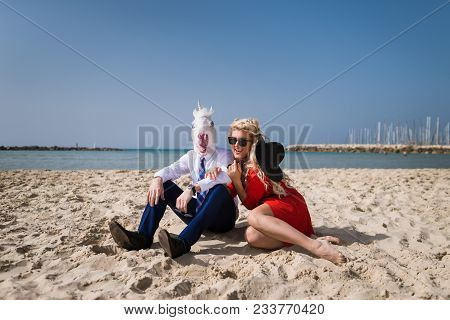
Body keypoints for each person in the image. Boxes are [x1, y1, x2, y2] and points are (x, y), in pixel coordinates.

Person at [209, 118, 346, 264]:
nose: (236, 145)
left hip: (287, 202)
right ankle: (305, 238)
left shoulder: (257, 167)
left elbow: (250, 204)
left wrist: (236, 180)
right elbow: (225, 192)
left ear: (252, 144)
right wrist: (215, 174)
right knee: (251, 236)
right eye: (232, 140)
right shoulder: (237, 166)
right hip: (274, 215)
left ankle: (315, 246)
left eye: (242, 142)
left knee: (253, 217)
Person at [109, 104, 238, 258]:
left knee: (220, 190)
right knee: (163, 185)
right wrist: (157, 179)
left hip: (223, 219)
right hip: (199, 215)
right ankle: (143, 237)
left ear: (212, 134)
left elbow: (224, 176)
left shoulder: (224, 155)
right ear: (193, 135)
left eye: (206, 135)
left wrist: (192, 189)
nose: (202, 140)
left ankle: (183, 242)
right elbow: (172, 170)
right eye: (199, 135)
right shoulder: (191, 156)